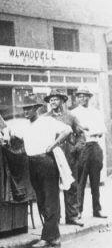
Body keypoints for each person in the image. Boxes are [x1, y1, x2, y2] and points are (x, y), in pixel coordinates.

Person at [10, 96, 72, 248]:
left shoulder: (46, 121)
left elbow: (68, 130)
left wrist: (54, 144)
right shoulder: (24, 126)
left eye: (28, 108)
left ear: (36, 109)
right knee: (41, 200)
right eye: (24, 109)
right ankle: (54, 236)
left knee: (50, 199)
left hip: (46, 161)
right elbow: (16, 140)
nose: (25, 111)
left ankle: (47, 237)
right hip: (31, 163)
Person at [43, 90, 84, 227]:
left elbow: (81, 135)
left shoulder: (71, 117)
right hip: (52, 156)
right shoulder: (45, 118)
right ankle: (55, 218)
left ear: (62, 100)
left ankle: (72, 216)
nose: (53, 102)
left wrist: (76, 148)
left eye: (55, 99)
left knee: (71, 185)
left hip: (69, 155)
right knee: (52, 187)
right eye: (51, 100)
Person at [71, 88, 107, 219]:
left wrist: (88, 130)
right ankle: (78, 210)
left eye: (85, 96)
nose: (83, 99)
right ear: (77, 98)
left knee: (95, 180)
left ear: (89, 98)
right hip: (82, 147)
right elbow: (75, 132)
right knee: (80, 181)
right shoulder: (73, 113)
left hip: (95, 146)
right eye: (80, 96)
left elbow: (102, 130)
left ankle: (96, 209)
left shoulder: (96, 112)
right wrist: (89, 130)